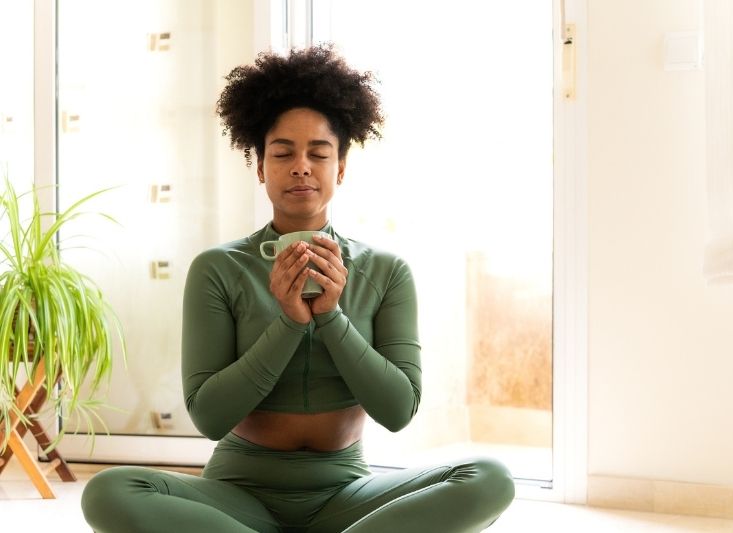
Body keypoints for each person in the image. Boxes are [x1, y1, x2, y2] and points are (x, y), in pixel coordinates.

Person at [81, 44, 515, 533]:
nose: (301, 166)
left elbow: (397, 411)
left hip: (346, 495)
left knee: (490, 478)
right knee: (108, 491)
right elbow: (209, 418)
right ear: (261, 168)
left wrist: (332, 317)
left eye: (319, 154)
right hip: (236, 494)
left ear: (341, 168)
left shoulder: (387, 271)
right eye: (283, 153)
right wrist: (289, 322)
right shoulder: (218, 268)